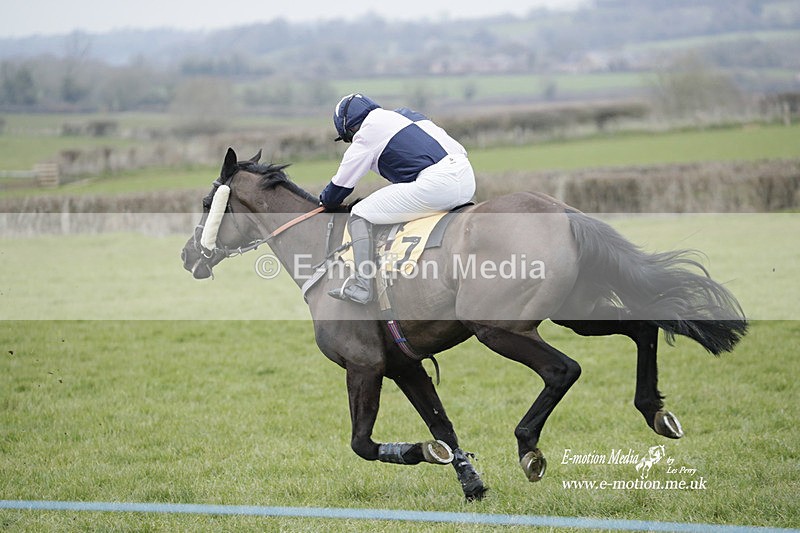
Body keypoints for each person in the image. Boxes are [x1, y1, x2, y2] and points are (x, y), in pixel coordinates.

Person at [319, 93, 476, 304]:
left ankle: (363, 285)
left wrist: (324, 200)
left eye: (349, 138)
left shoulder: (366, 134)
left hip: (437, 184)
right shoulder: (407, 115)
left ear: (349, 128)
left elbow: (340, 187)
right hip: (467, 178)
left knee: (359, 213)